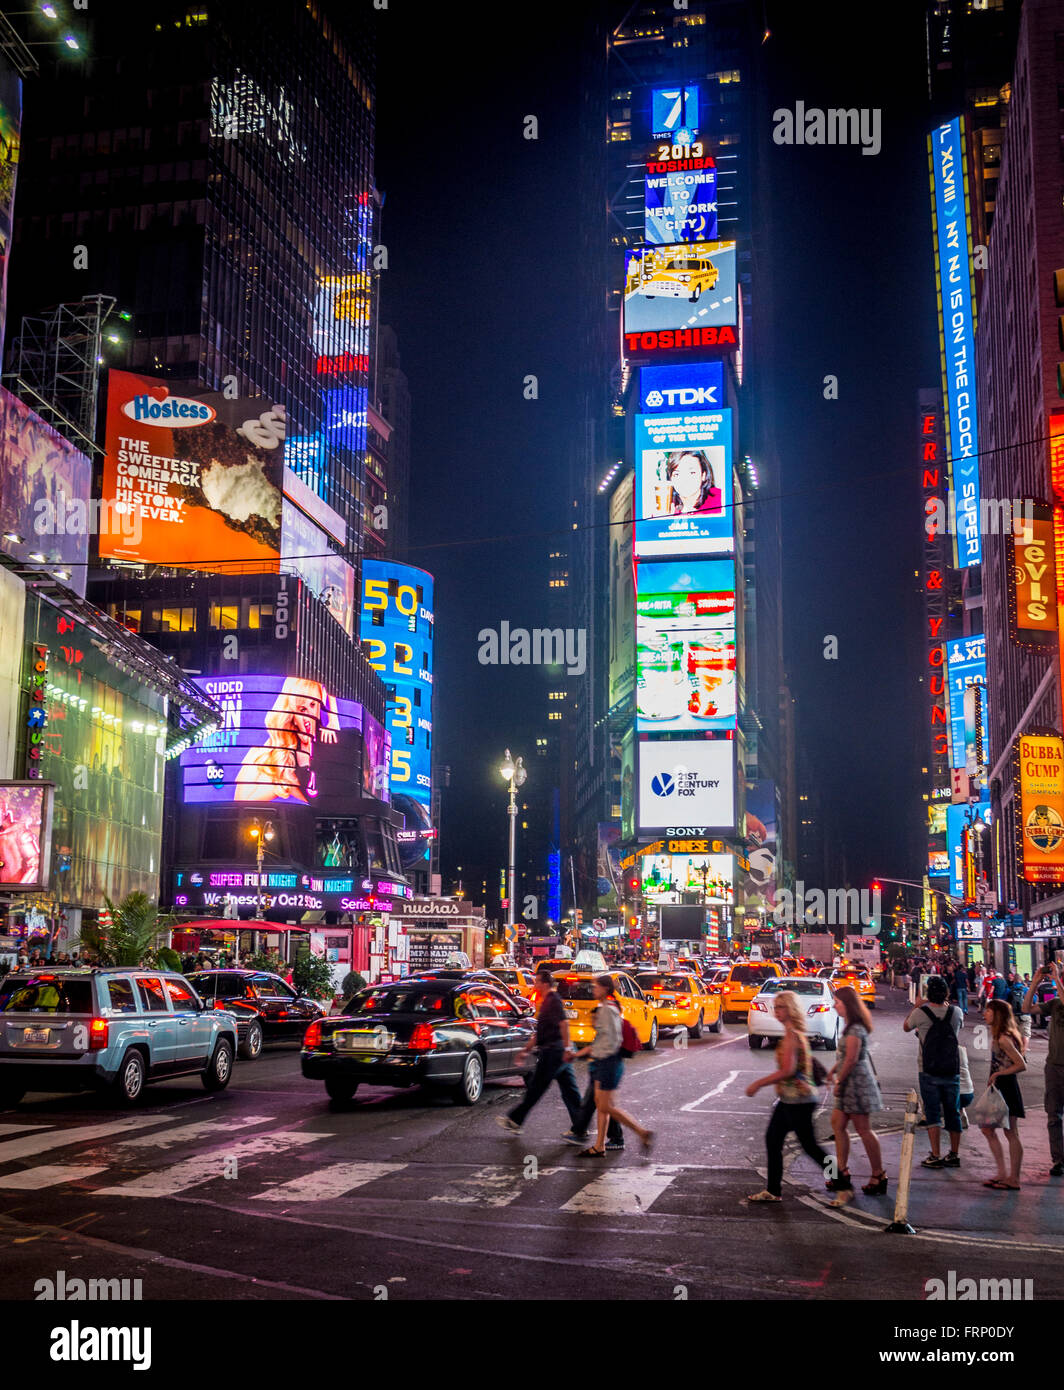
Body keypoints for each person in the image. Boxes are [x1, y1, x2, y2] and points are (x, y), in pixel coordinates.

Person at [745, 990, 830, 1203]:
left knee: (810, 1147)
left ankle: (842, 1182)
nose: (777, 1011)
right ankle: (773, 1190)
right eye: (776, 1007)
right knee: (773, 1140)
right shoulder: (792, 1033)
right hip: (789, 1099)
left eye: (781, 1007)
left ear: (790, 1010)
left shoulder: (792, 1035)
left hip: (799, 1100)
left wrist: (758, 1083)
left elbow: (787, 1071)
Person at [571, 975, 654, 1157]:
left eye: (596, 987)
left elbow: (612, 1040)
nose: (593, 990)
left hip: (607, 1063)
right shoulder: (607, 1008)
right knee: (603, 1106)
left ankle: (642, 1132)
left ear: (604, 989)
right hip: (605, 1062)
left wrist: (596, 1056)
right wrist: (580, 1054)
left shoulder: (608, 1010)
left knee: (606, 1106)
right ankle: (599, 1146)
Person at [497, 968, 582, 1135]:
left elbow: (563, 1024)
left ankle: (515, 1120)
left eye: (536, 982)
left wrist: (566, 1048)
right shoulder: (547, 1002)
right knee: (570, 1091)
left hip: (554, 1052)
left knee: (537, 1088)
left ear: (544, 984)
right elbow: (540, 1032)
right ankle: (580, 1127)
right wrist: (525, 1051)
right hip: (556, 1050)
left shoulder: (553, 1000)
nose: (534, 985)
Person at [826, 985, 886, 1195]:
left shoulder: (855, 1029)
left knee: (863, 1129)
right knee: (837, 1124)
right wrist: (833, 1070)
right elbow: (845, 1057)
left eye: (838, 1002)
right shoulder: (850, 1027)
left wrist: (839, 1081)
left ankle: (878, 1174)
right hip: (849, 1083)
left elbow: (851, 1059)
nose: (835, 1006)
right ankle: (841, 1172)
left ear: (848, 1005)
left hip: (856, 1085)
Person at [903, 974, 963, 1168]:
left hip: (928, 1068)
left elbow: (906, 1027)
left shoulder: (921, 1013)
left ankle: (935, 1154)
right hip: (951, 1068)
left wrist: (917, 1005)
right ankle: (954, 1153)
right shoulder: (956, 1012)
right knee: (953, 1111)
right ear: (946, 992)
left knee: (932, 1111)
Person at [978, 998, 1026, 1190]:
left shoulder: (1004, 1039)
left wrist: (999, 1073)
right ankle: (1002, 1173)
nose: (985, 1014)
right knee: (988, 1129)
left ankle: (1013, 1178)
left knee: (1011, 1132)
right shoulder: (1001, 1035)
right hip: (999, 1086)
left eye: (989, 1011)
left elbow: (1021, 1064)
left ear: (997, 1015)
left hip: (1006, 1087)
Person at [1024, 963, 1064, 1176]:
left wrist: (1057, 980)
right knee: (1053, 1115)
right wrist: (1034, 983)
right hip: (1054, 1067)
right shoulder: (1055, 1004)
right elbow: (1026, 1009)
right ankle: (1058, 1160)